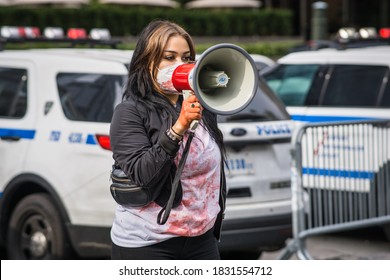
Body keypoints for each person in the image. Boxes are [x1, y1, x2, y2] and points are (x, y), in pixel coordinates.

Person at [109, 19, 227, 260]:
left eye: (187, 58)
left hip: (201, 240)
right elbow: (143, 174)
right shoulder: (130, 112)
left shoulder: (202, 108)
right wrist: (178, 128)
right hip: (148, 244)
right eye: (169, 57)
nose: (180, 65)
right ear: (147, 62)